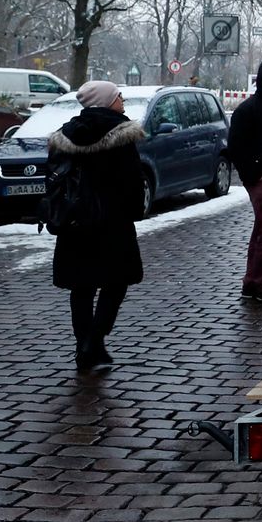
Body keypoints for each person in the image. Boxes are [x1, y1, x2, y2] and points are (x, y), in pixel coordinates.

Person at [47, 80, 147, 374]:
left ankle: (84, 347)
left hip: (76, 224)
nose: (123, 101)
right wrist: (135, 210)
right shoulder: (122, 134)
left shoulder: (66, 134)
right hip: (113, 223)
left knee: (81, 287)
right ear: (106, 101)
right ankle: (94, 340)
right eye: (118, 96)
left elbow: (55, 178)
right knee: (117, 282)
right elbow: (132, 181)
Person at [228, 59, 262, 306]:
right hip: (260, 180)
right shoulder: (246, 110)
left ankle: (252, 282)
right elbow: (236, 148)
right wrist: (254, 174)